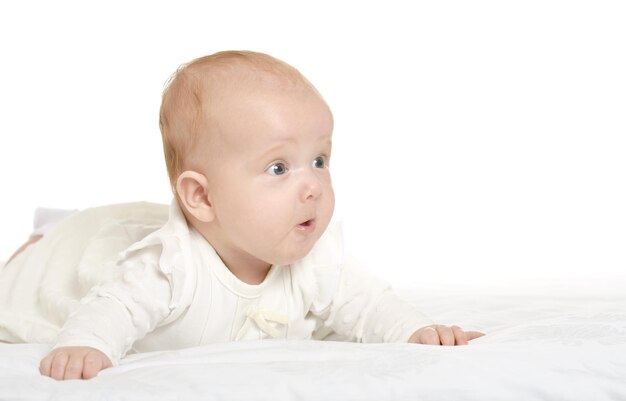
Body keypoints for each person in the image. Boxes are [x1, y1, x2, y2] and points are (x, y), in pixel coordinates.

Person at [0, 51, 484, 381]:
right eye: (279, 167)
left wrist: (417, 332)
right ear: (203, 198)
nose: (313, 184)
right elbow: (113, 307)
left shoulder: (315, 258)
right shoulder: (168, 267)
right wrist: (89, 345)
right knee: (59, 262)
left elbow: (370, 303)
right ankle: (46, 232)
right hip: (71, 259)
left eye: (320, 159)